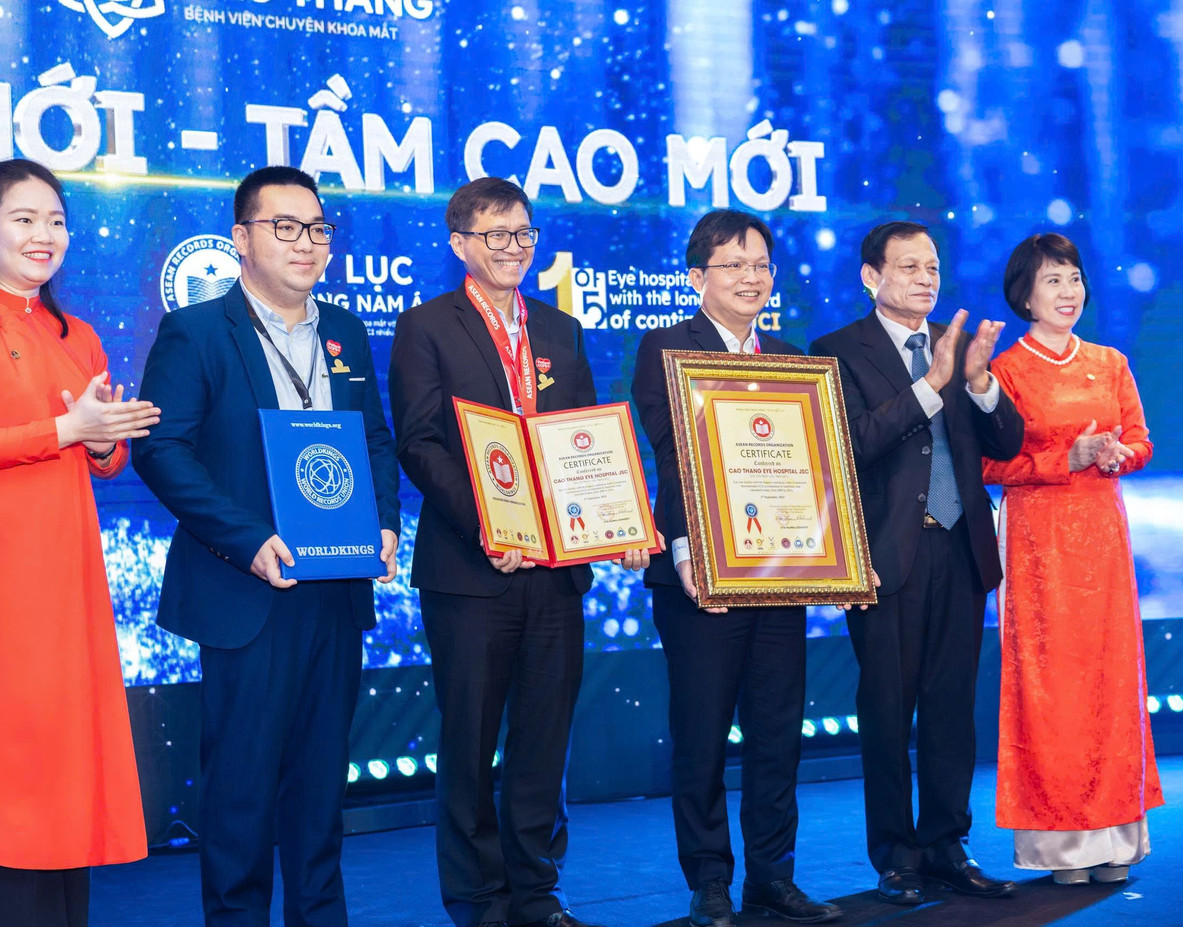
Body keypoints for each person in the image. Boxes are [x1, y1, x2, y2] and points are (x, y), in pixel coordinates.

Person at [133, 166, 400, 927]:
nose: (306, 243)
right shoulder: (196, 331)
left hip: (337, 591)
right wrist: (248, 540)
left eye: (317, 228)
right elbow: (164, 450)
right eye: (284, 226)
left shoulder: (345, 330)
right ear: (242, 239)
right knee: (242, 794)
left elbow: (375, 442)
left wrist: (384, 523)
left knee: (320, 793)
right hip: (247, 590)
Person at [388, 177, 651, 927]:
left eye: (524, 234)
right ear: (460, 244)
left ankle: (537, 891)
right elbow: (419, 442)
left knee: (543, 736)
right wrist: (489, 526)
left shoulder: (560, 330)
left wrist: (618, 522)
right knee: (469, 740)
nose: (513, 249)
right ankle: (478, 898)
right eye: (496, 235)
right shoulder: (426, 326)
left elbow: (588, 445)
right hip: (472, 572)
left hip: (558, 571)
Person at [0, 158, 155, 927]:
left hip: (67, 569)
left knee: (59, 746)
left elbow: (104, 461)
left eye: (55, 220)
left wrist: (105, 437)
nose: (43, 234)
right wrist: (65, 429)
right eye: (23, 219)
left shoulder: (76, 334)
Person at [630, 210, 841, 926]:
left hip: (778, 577)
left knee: (779, 733)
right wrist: (688, 549)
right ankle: (710, 882)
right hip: (700, 581)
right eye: (734, 265)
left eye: (761, 265)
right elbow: (671, 453)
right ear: (698, 278)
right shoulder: (664, 349)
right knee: (702, 734)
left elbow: (812, 473)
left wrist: (830, 557)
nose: (751, 277)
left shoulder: (790, 359)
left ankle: (772, 877)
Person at [809, 221, 1024, 905]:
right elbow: (850, 444)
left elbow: (1007, 440)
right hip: (884, 557)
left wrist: (982, 382)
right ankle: (896, 855)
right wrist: (931, 386)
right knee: (886, 710)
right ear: (872, 276)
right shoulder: (836, 350)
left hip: (960, 553)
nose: (926, 278)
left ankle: (945, 844)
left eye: (932, 265)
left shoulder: (957, 347)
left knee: (951, 709)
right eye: (909, 266)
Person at [983, 233, 1162, 884]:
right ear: (1024, 294)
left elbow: (1141, 439)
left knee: (1109, 682)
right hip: (1040, 542)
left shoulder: (1111, 361)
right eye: (1053, 280)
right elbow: (987, 463)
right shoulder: (1007, 372)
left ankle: (1117, 837)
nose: (1068, 291)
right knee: (1052, 685)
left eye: (1075, 278)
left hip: (1103, 542)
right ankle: (1062, 848)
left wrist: (1119, 455)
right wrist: (1069, 458)